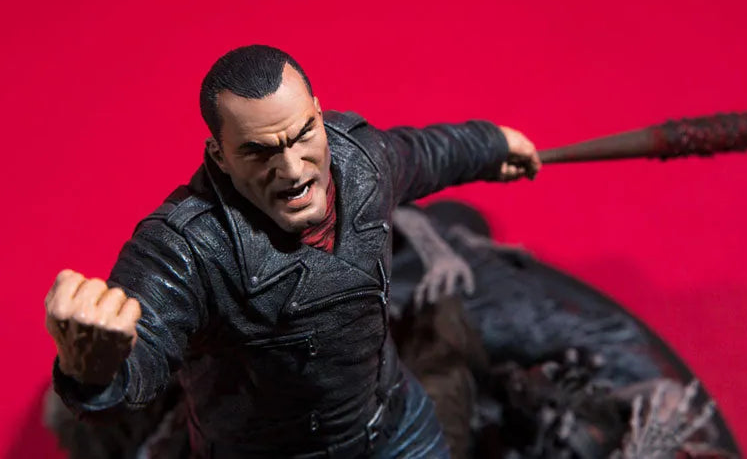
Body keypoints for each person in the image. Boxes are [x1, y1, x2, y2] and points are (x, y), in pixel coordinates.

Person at [44, 44, 541, 458]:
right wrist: (93, 370)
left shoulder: (362, 160)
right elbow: (140, 346)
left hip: (392, 423)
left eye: (303, 135)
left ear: (320, 116)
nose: (293, 169)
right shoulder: (186, 245)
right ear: (220, 155)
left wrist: (492, 145)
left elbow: (427, 154)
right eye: (259, 152)